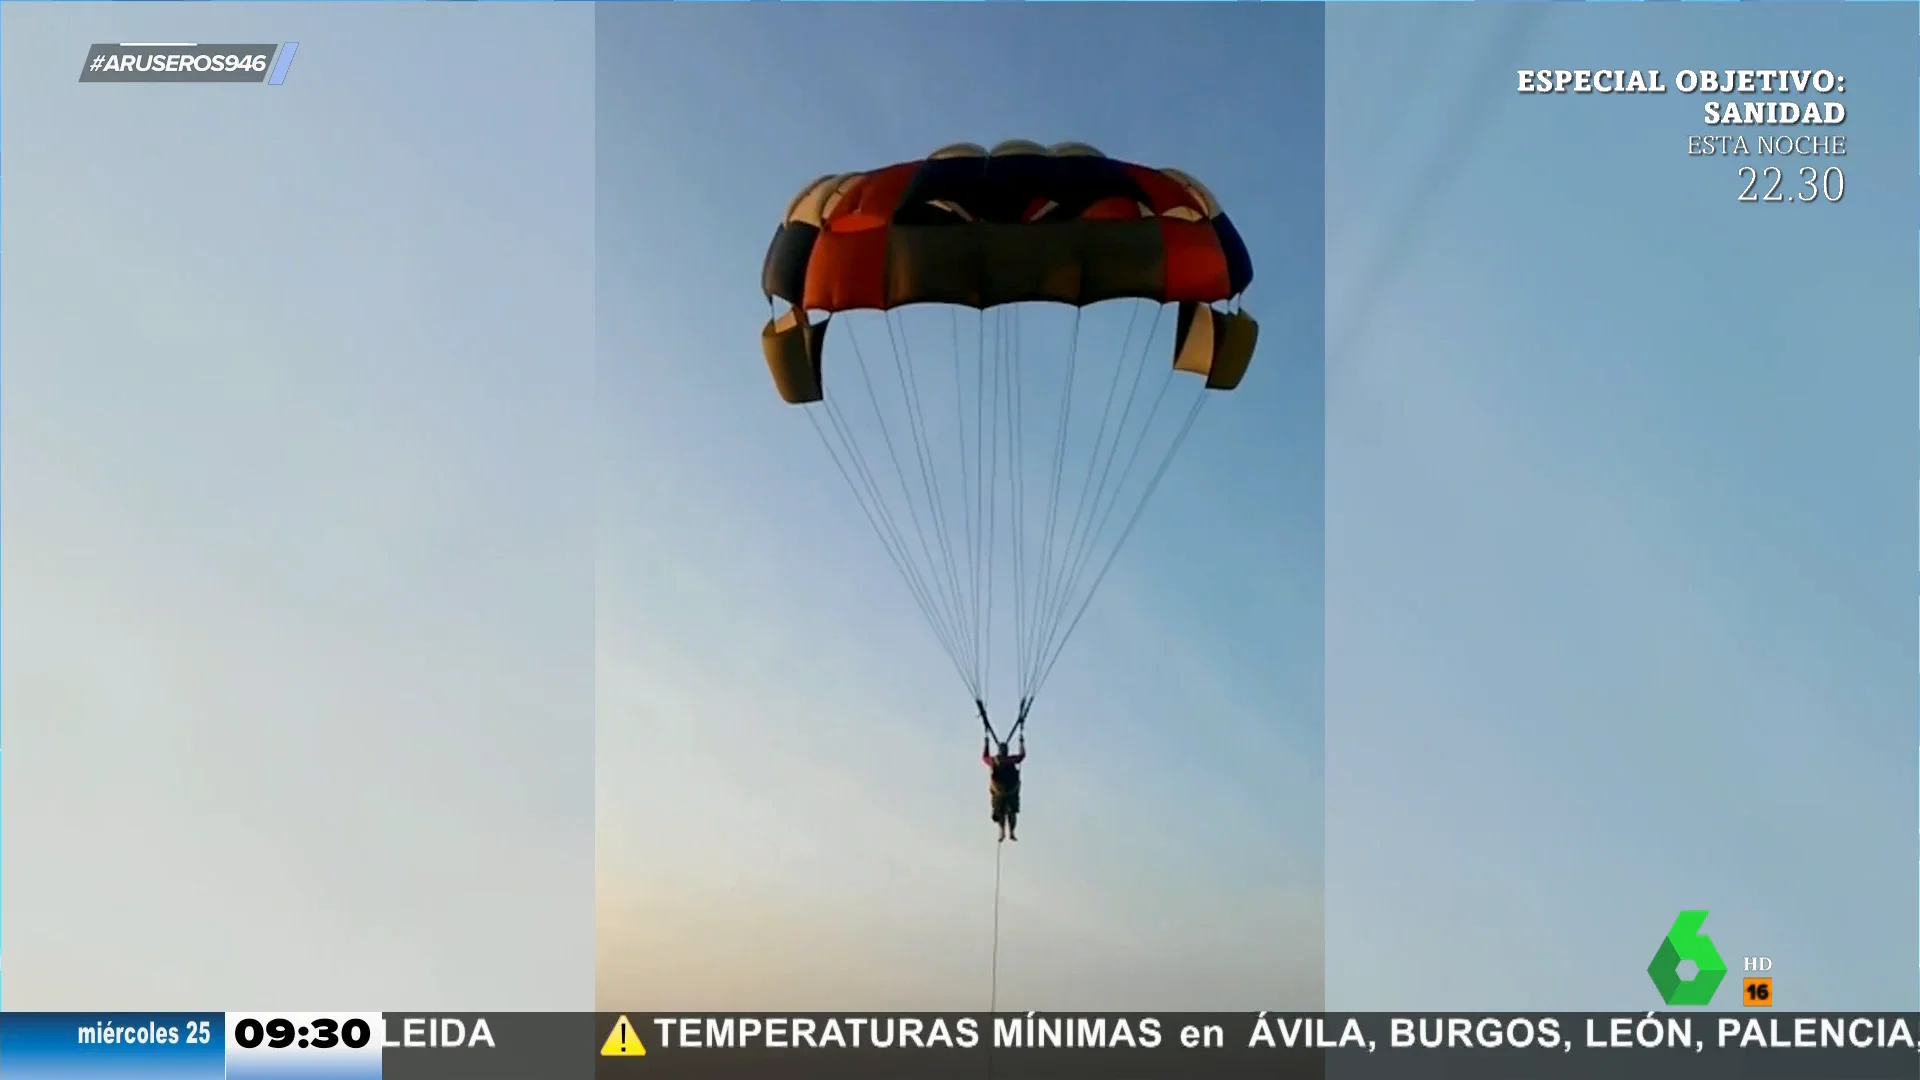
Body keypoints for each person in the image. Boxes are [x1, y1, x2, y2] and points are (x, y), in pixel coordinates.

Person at [983, 735, 1026, 842]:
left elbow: (1021, 756)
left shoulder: (1008, 760)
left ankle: (1009, 832)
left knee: (1010, 812)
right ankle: (1004, 832)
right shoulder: (998, 760)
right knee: (1002, 812)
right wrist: (986, 744)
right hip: (1001, 791)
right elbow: (1022, 756)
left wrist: (1021, 742)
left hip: (1010, 790)